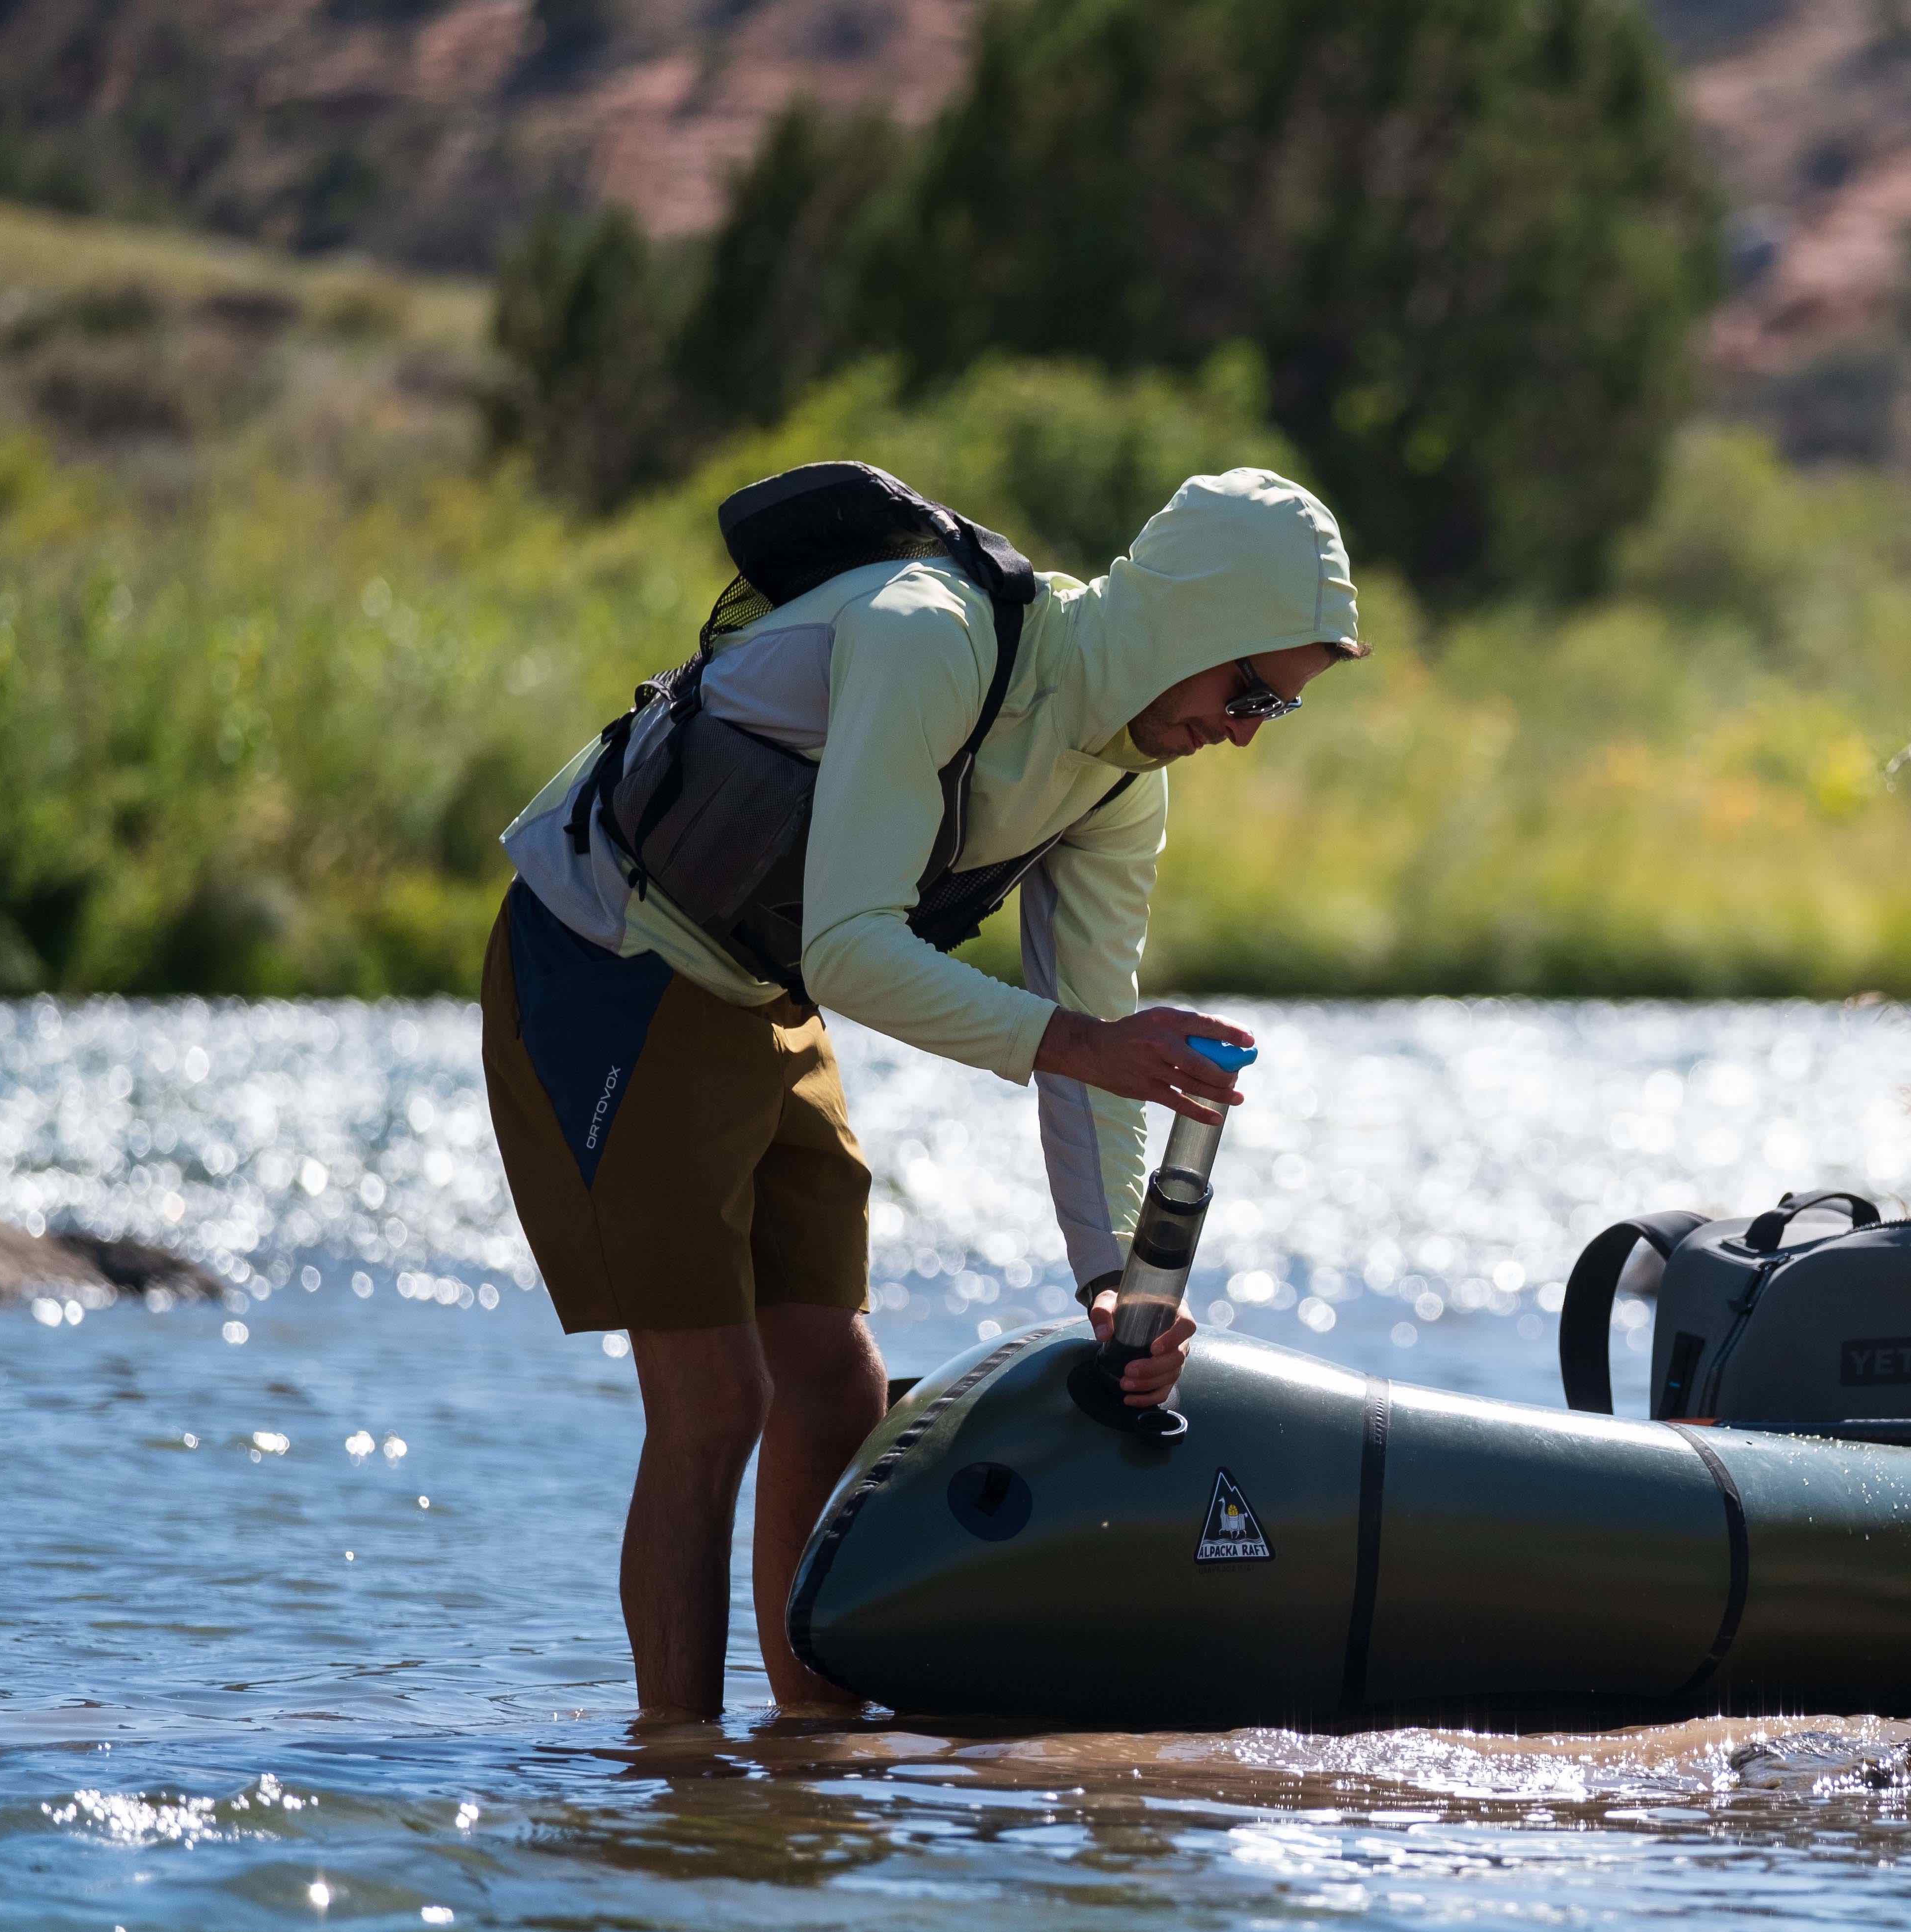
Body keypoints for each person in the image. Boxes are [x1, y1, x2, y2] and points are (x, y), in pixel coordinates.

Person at [478, 467, 1363, 1720]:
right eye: (1252, 688)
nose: (1249, 729)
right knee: (717, 1400)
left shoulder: (1123, 784)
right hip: (607, 957)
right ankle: (678, 1772)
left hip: (756, 992)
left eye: (1281, 708)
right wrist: (1081, 1044)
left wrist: (1117, 1282)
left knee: (837, 1386)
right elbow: (852, 946)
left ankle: (807, 1748)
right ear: (1193, 623)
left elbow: (1095, 1046)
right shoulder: (930, 635)